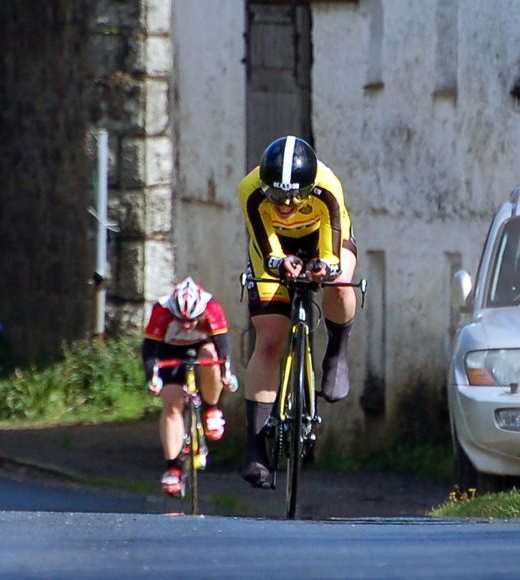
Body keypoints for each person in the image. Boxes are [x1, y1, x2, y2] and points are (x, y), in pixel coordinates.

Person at [238, 135, 358, 488]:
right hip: (274, 244)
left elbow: (333, 244)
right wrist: (279, 262)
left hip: (324, 237)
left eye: (295, 196)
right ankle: (256, 447)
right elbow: (264, 241)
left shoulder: (327, 186)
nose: (287, 204)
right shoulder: (251, 189)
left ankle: (337, 351)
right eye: (277, 196)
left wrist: (325, 267)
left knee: (339, 283)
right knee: (271, 340)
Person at [142, 277, 235, 496]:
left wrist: (227, 374)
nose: (185, 326)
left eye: (192, 321)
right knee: (172, 404)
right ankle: (172, 467)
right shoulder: (161, 311)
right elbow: (150, 350)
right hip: (169, 351)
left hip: (202, 347)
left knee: (211, 357)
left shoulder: (212, 308)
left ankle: (211, 409)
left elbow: (223, 346)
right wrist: (152, 378)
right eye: (180, 320)